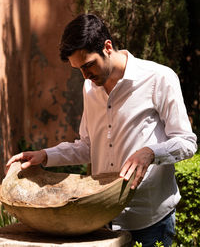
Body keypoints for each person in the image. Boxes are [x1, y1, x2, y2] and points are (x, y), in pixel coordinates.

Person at [7, 14, 197, 247]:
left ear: (107, 47)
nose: (85, 76)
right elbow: (87, 146)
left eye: (88, 65)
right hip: (100, 221)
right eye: (78, 69)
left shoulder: (159, 78)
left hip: (149, 222)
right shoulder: (90, 88)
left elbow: (187, 142)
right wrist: (45, 155)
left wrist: (150, 152)